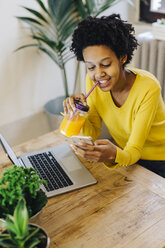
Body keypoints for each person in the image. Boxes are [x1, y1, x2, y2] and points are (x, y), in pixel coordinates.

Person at [63, 14, 165, 177]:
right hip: (129, 156)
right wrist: (81, 113)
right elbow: (92, 133)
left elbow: (134, 151)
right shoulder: (93, 83)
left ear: (122, 58)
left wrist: (114, 155)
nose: (98, 74)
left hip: (159, 160)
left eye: (105, 64)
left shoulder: (148, 88)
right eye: (91, 67)